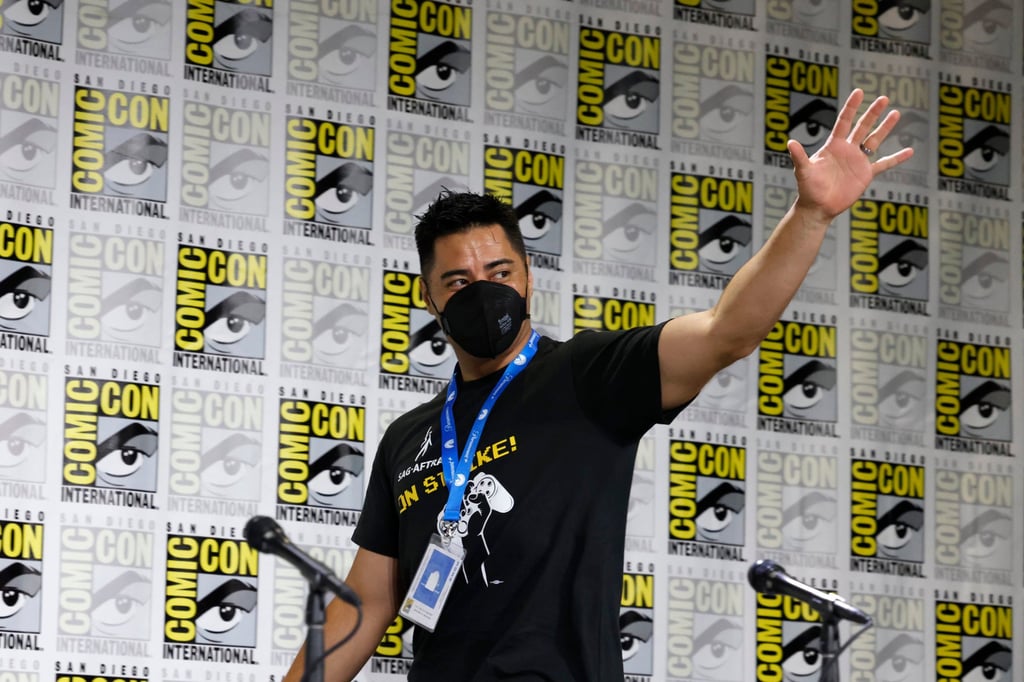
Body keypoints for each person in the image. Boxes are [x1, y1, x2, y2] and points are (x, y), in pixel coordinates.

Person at [284, 89, 914, 681]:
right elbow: (366, 603)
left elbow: (729, 331)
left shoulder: (587, 374)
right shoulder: (408, 438)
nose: (482, 290)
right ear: (429, 298)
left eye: (499, 270)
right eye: (458, 281)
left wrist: (811, 214)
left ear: (529, 277)